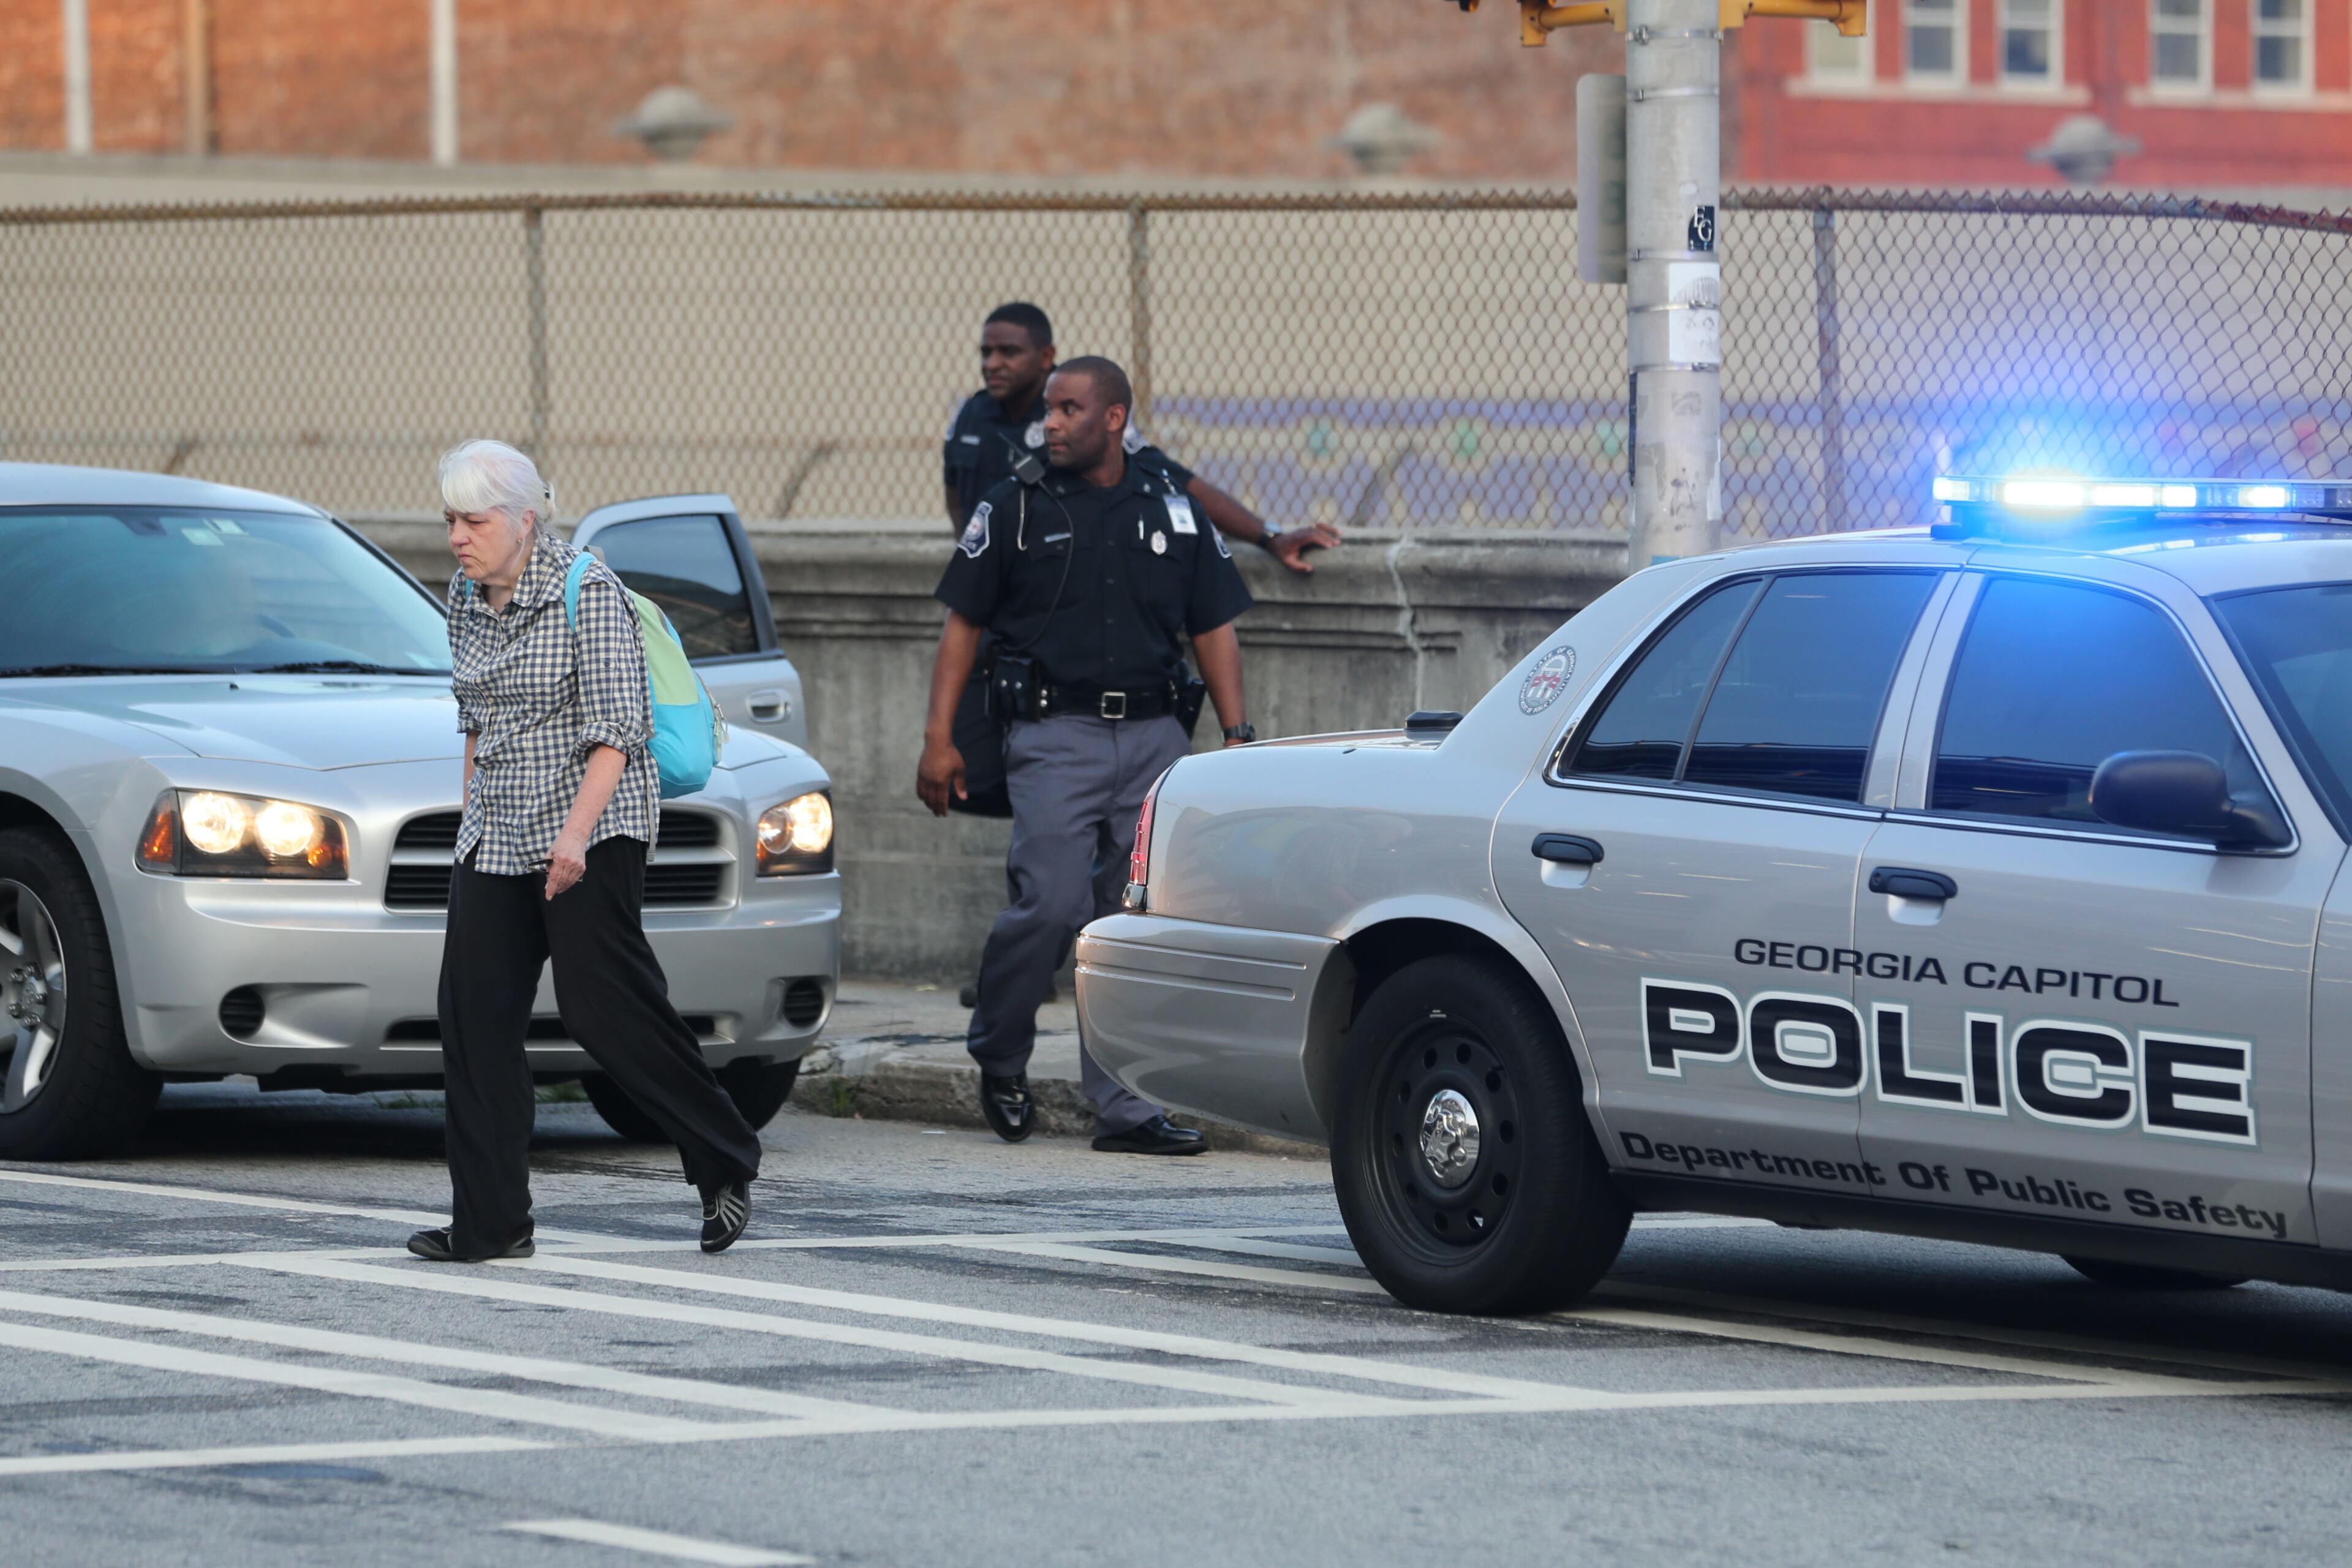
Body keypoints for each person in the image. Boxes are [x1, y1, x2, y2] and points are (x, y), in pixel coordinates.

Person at [409, 439, 763, 1263]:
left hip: (593, 825)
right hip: (498, 831)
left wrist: (573, 838)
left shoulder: (588, 591)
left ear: (525, 521)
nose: (458, 536)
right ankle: (491, 1224)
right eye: (450, 520)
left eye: (475, 520)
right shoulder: (465, 594)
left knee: (605, 1009)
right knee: (473, 1019)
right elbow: (476, 713)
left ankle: (725, 1156)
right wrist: (473, 817)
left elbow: (619, 729)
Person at [919, 358, 1256, 1155]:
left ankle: (1127, 1108)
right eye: (1050, 411)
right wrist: (938, 740)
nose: (1052, 424)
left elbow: (1213, 626)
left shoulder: (1171, 506)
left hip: (1154, 741)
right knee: (1049, 905)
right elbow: (962, 626)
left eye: (1070, 409)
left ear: (1114, 418)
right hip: (1053, 737)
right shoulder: (1018, 505)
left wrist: (1238, 737)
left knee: (1130, 925)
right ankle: (1001, 1056)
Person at [944, 301, 1341, 573]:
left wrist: (1268, 537)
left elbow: (1173, 479)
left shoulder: (1086, 413)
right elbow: (956, 492)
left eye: (1008, 352)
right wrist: (973, 557)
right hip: (988, 593)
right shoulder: (972, 415)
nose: (992, 364)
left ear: (1046, 357)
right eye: (986, 353)